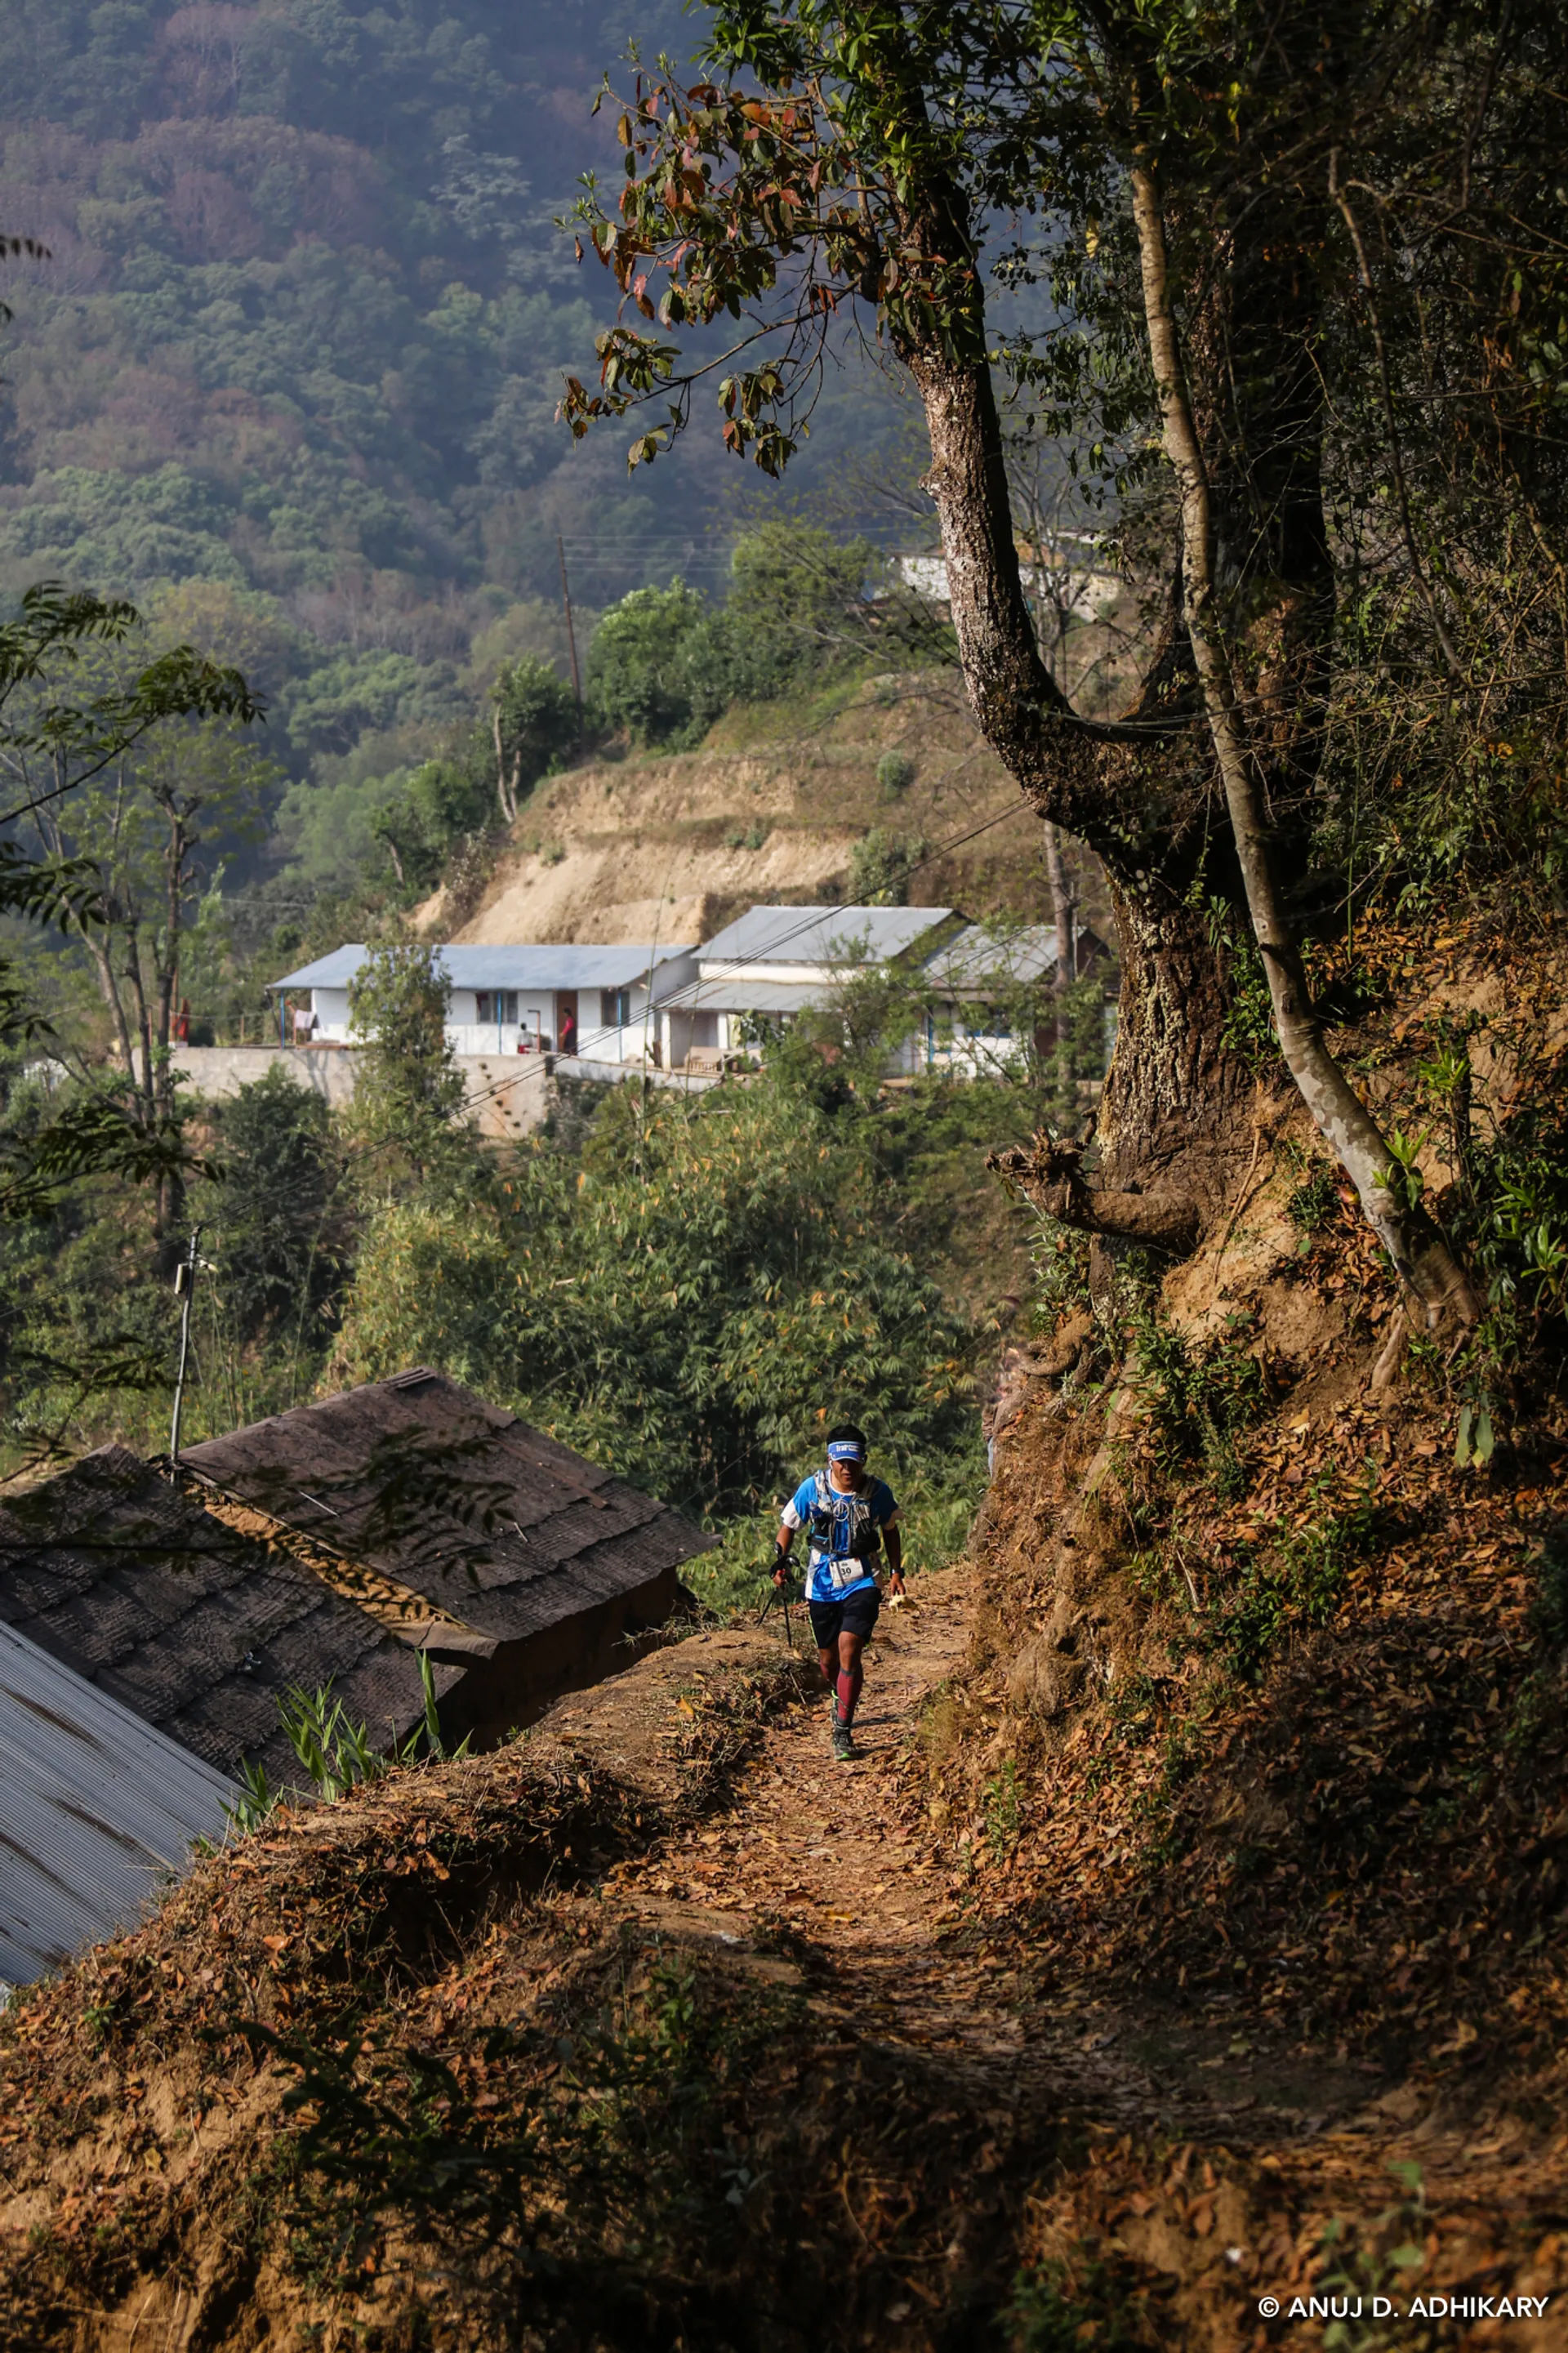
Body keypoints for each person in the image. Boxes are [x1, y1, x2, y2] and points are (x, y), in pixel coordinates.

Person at [773, 1422, 904, 1762]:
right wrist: (780, 1561)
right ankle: (840, 1694)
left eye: (854, 1461)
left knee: (850, 1647)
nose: (848, 1469)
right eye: (841, 1462)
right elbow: (789, 1525)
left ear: (864, 1460)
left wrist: (895, 1571)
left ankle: (843, 1731)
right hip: (821, 1583)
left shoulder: (878, 1493)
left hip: (863, 1578)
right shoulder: (812, 1489)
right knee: (829, 1661)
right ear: (830, 1461)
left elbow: (890, 1529)